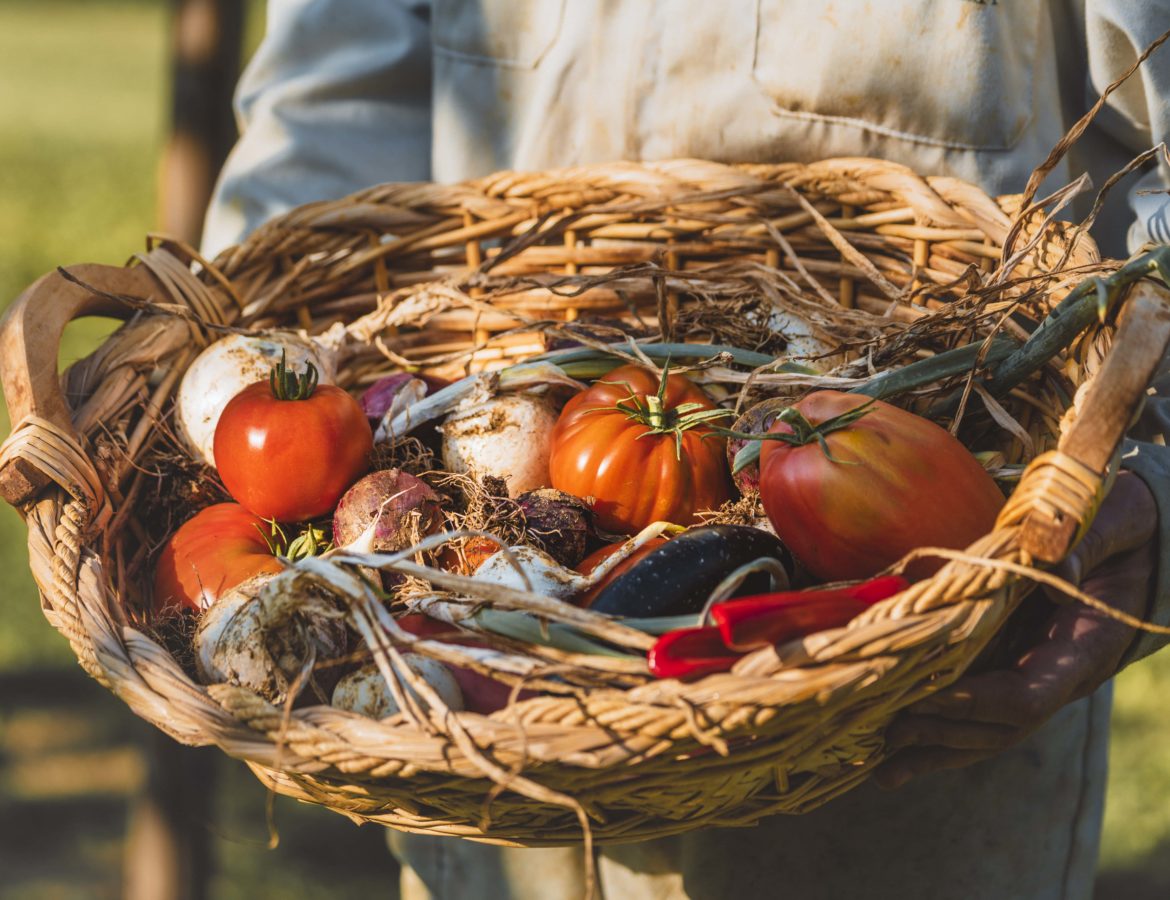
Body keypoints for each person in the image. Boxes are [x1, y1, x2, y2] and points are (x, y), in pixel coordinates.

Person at [203, 3, 1170, 897]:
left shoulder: (807, 441)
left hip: (899, 761)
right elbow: (331, 112)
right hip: (477, 782)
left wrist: (1153, 497)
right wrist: (239, 400)